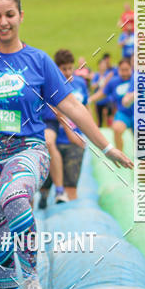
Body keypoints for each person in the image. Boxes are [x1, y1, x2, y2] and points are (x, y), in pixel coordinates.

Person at [0, 0, 133, 289]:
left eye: (10, 14)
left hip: (28, 149)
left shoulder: (38, 62)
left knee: (15, 195)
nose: (3, 22)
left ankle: (31, 278)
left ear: (21, 16)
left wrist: (106, 148)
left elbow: (74, 108)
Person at [39, 49, 89, 207]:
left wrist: (85, 134)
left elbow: (86, 110)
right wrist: (70, 133)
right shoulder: (48, 87)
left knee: (71, 188)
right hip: (55, 140)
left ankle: (70, 214)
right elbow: (57, 115)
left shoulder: (80, 84)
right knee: (44, 186)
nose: (67, 72)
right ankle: (45, 197)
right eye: (63, 69)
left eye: (70, 68)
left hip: (74, 143)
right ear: (56, 68)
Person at [91, 59, 135, 152]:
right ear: (118, 70)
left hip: (138, 114)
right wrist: (90, 99)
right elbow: (102, 93)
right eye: (122, 70)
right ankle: (120, 154)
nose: (124, 73)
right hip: (123, 113)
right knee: (116, 129)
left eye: (127, 70)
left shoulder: (136, 79)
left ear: (131, 68)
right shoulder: (114, 82)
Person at [90, 56, 115, 127]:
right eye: (102, 65)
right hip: (98, 101)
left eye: (104, 65)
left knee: (108, 115)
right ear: (99, 66)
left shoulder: (109, 74)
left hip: (108, 99)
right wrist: (98, 83)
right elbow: (92, 86)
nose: (103, 66)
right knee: (99, 121)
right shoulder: (96, 75)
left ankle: (110, 128)